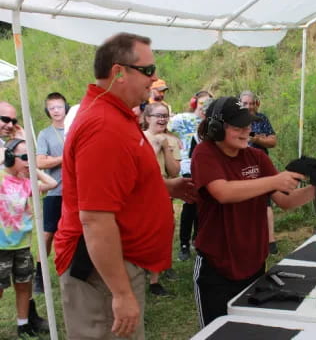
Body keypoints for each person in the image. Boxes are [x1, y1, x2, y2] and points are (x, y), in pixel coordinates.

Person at [54, 32, 196, 339]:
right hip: (101, 271)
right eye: (147, 70)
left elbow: (121, 183)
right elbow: (94, 218)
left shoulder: (114, 115)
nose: (154, 78)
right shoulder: (104, 126)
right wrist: (120, 293)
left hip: (112, 263)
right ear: (119, 72)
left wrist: (164, 188)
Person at [191, 97, 316, 327]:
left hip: (253, 262)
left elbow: (285, 200)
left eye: (248, 126)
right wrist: (273, 181)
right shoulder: (205, 153)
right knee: (217, 332)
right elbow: (223, 192)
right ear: (216, 128)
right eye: (237, 127)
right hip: (217, 264)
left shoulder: (257, 157)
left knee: (251, 330)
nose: (246, 132)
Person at [0, 138, 57, 337]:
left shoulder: (27, 182)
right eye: (24, 157)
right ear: (8, 158)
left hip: (22, 245)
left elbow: (52, 183)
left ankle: (23, 324)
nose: (28, 161)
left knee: (23, 285)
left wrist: (33, 167)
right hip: (1, 247)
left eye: (31, 157)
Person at [143, 102, 181, 296]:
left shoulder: (172, 140)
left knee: (163, 232)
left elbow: (175, 172)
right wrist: (154, 147)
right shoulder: (139, 138)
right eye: (158, 115)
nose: (162, 119)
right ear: (147, 118)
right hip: (140, 193)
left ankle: (155, 279)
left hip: (163, 191)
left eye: (165, 115)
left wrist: (165, 148)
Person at [170, 91, 212, 261]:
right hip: (187, 164)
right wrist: (171, 141)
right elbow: (164, 124)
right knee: (190, 204)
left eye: (208, 104)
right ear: (194, 103)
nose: (204, 107)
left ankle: (197, 239)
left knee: (203, 205)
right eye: (202, 103)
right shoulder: (182, 118)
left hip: (205, 166)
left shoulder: (212, 124)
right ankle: (184, 244)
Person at [34, 92, 68, 294]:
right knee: (48, 234)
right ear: (48, 111)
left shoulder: (75, 128)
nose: (56, 110)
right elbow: (40, 162)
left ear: (66, 107)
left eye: (59, 106)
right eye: (52, 108)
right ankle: (40, 274)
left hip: (77, 191)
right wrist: (64, 158)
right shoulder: (45, 134)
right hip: (55, 191)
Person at [239, 90, 279, 254]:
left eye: (251, 103)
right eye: (245, 103)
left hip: (261, 165)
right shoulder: (234, 120)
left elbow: (273, 141)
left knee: (265, 202)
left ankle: (270, 240)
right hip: (240, 166)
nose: (248, 106)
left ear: (256, 104)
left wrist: (256, 138)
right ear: (239, 104)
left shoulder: (262, 119)